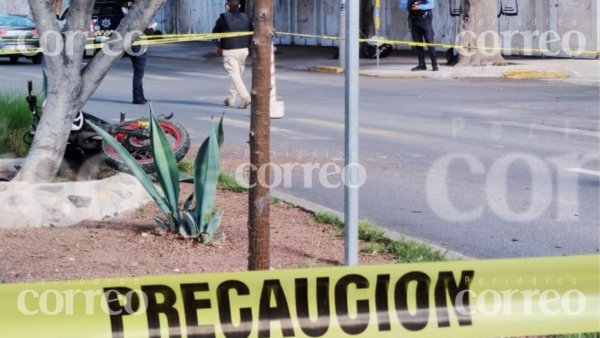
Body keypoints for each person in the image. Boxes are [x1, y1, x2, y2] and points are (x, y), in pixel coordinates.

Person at [212, 0, 254, 109]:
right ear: (239, 6)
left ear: (227, 6)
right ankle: (231, 99)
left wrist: (217, 46)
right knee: (237, 75)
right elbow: (252, 32)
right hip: (244, 50)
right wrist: (248, 46)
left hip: (229, 50)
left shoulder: (223, 18)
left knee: (234, 75)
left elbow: (214, 33)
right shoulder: (247, 17)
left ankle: (245, 97)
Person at [122, 0, 149, 104]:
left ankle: (140, 96)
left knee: (138, 72)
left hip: (132, 46)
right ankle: (137, 97)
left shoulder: (127, 15)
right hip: (138, 46)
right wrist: (151, 29)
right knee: (138, 73)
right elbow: (145, 31)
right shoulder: (138, 17)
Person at [400, 0, 439, 71]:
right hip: (414, 20)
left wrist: (419, 7)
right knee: (418, 43)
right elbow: (402, 7)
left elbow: (431, 5)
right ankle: (422, 64)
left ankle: (434, 65)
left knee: (429, 41)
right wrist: (407, 4)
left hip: (425, 20)